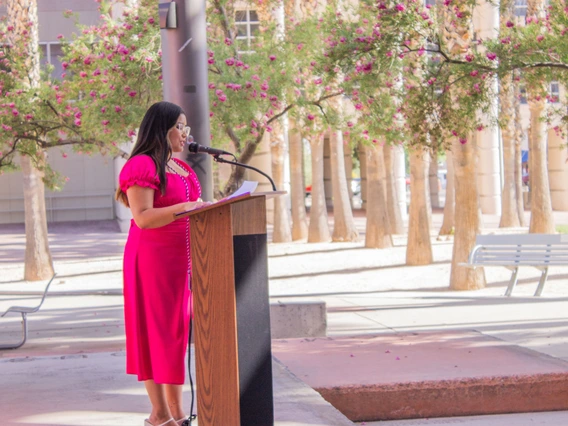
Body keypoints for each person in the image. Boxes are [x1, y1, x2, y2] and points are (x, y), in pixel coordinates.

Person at [115, 101, 210, 426]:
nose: (186, 134)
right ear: (162, 128)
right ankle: (159, 414)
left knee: (175, 334)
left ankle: (178, 413)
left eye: (186, 127)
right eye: (180, 126)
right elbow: (142, 218)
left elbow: (191, 208)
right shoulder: (142, 165)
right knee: (156, 333)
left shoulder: (179, 167)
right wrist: (187, 207)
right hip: (152, 261)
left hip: (183, 261)